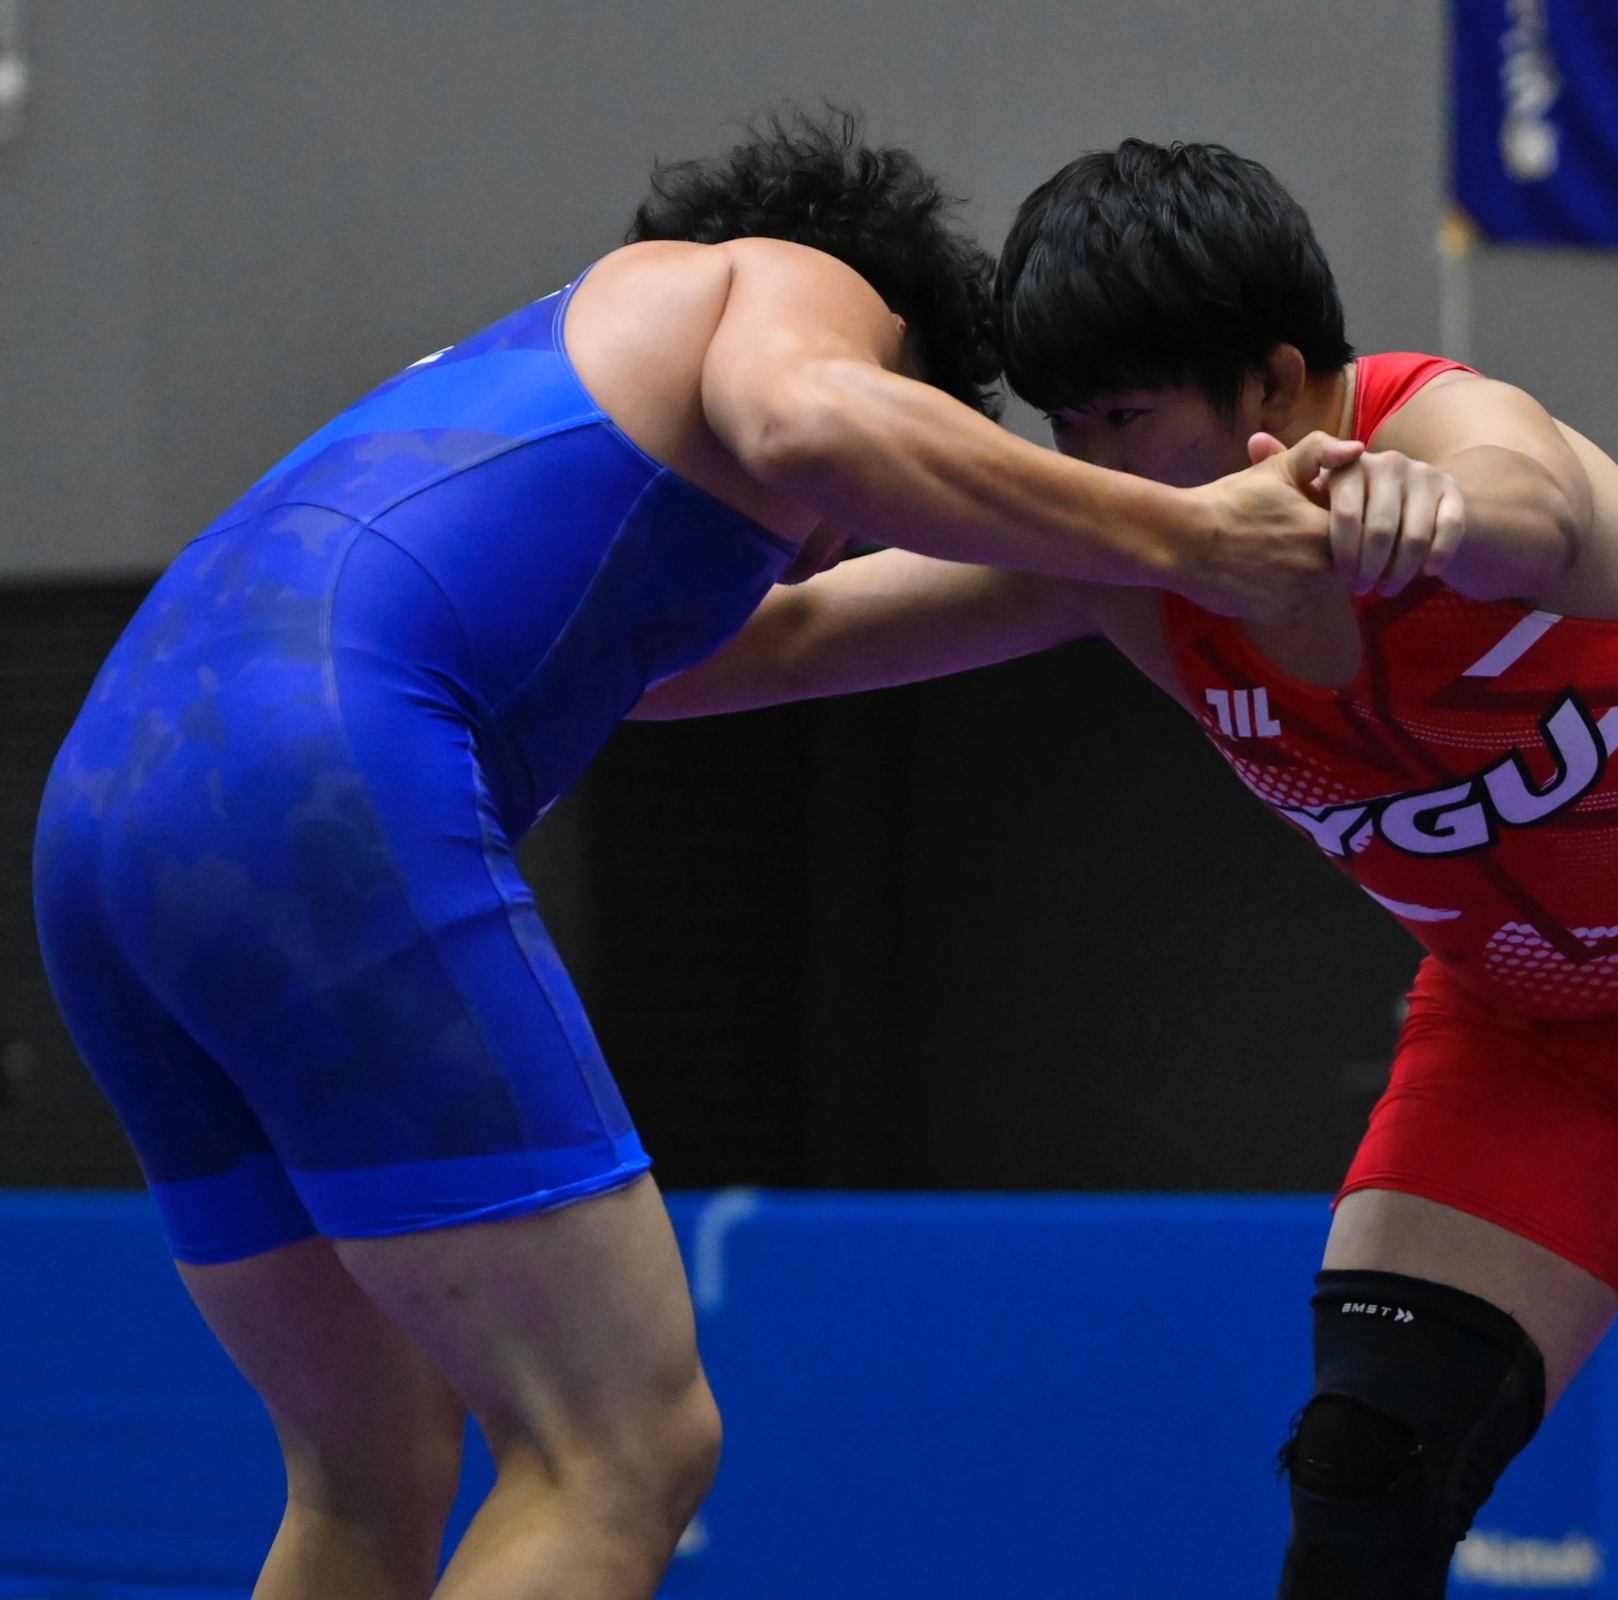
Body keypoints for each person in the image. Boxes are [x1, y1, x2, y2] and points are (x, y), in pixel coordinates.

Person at [643, 139, 1618, 1599]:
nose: (1090, 472)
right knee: (1365, 1470)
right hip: (1535, 1037)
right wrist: (527, 607)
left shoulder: (1455, 437)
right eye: (1066, 428)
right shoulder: (1120, 559)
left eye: (1122, 418)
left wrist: (1438, 514)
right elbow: (782, 642)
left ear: (1274, 385)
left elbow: (1533, 499)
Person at [32, 115, 1357, 1600]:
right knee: (622, 1450)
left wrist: (1110, 563)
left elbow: (756, 648)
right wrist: (1185, 537)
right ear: (901, 352)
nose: (845, 543)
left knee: (370, 1474)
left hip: (99, 823)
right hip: (309, 774)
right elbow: (812, 426)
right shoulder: (785, 281)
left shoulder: (547, 403)